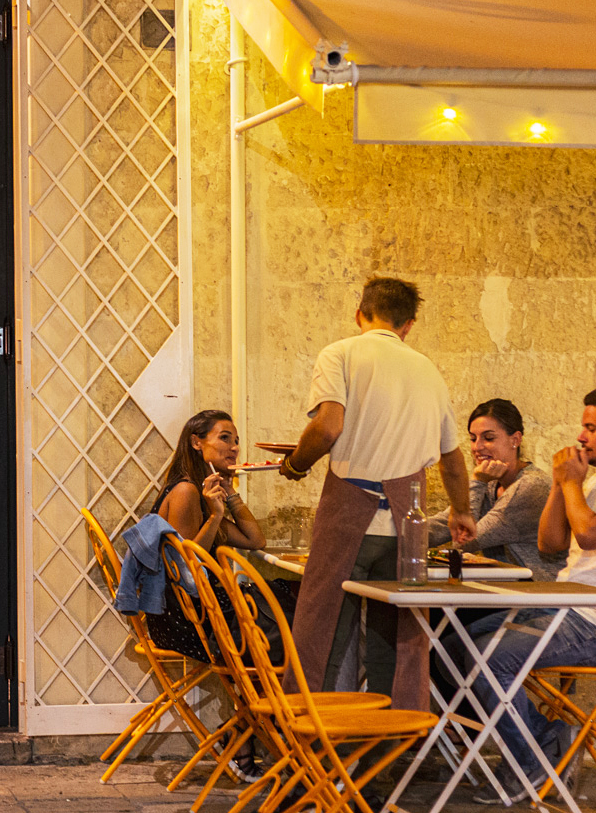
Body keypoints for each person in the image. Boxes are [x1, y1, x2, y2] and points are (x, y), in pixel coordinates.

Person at [467, 386, 596, 804]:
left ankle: (530, 760)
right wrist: (564, 485)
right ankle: (550, 741)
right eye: (583, 427)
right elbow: (550, 544)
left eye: (592, 428)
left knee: (487, 658)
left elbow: (591, 535)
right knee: (453, 646)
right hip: (564, 604)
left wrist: (571, 484)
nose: (581, 437)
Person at [277, 276, 475, 710]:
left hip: (350, 511)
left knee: (322, 633)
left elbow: (329, 427)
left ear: (359, 313)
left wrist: (295, 464)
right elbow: (453, 458)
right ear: (409, 325)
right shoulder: (429, 370)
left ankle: (310, 748)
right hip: (409, 524)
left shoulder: (342, 353)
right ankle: (393, 756)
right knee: (398, 642)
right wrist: (462, 511)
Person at [140, 409, 276, 663]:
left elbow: (255, 540)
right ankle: (264, 698)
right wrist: (214, 517)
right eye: (225, 438)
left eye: (236, 441)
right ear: (196, 442)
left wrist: (230, 494)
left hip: (199, 612)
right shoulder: (186, 491)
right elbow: (186, 570)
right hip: (187, 623)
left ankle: (261, 697)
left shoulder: (201, 493)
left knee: (283, 598)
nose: (234, 448)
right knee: (285, 617)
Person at [428, 399, 563, 582]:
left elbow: (466, 542)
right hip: (504, 589)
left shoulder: (530, 486)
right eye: (473, 438)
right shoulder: (491, 484)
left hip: (538, 595)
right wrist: (399, 533)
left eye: (488, 438)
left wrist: (477, 481)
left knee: (432, 606)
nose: (477, 447)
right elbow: (449, 522)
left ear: (515, 440)